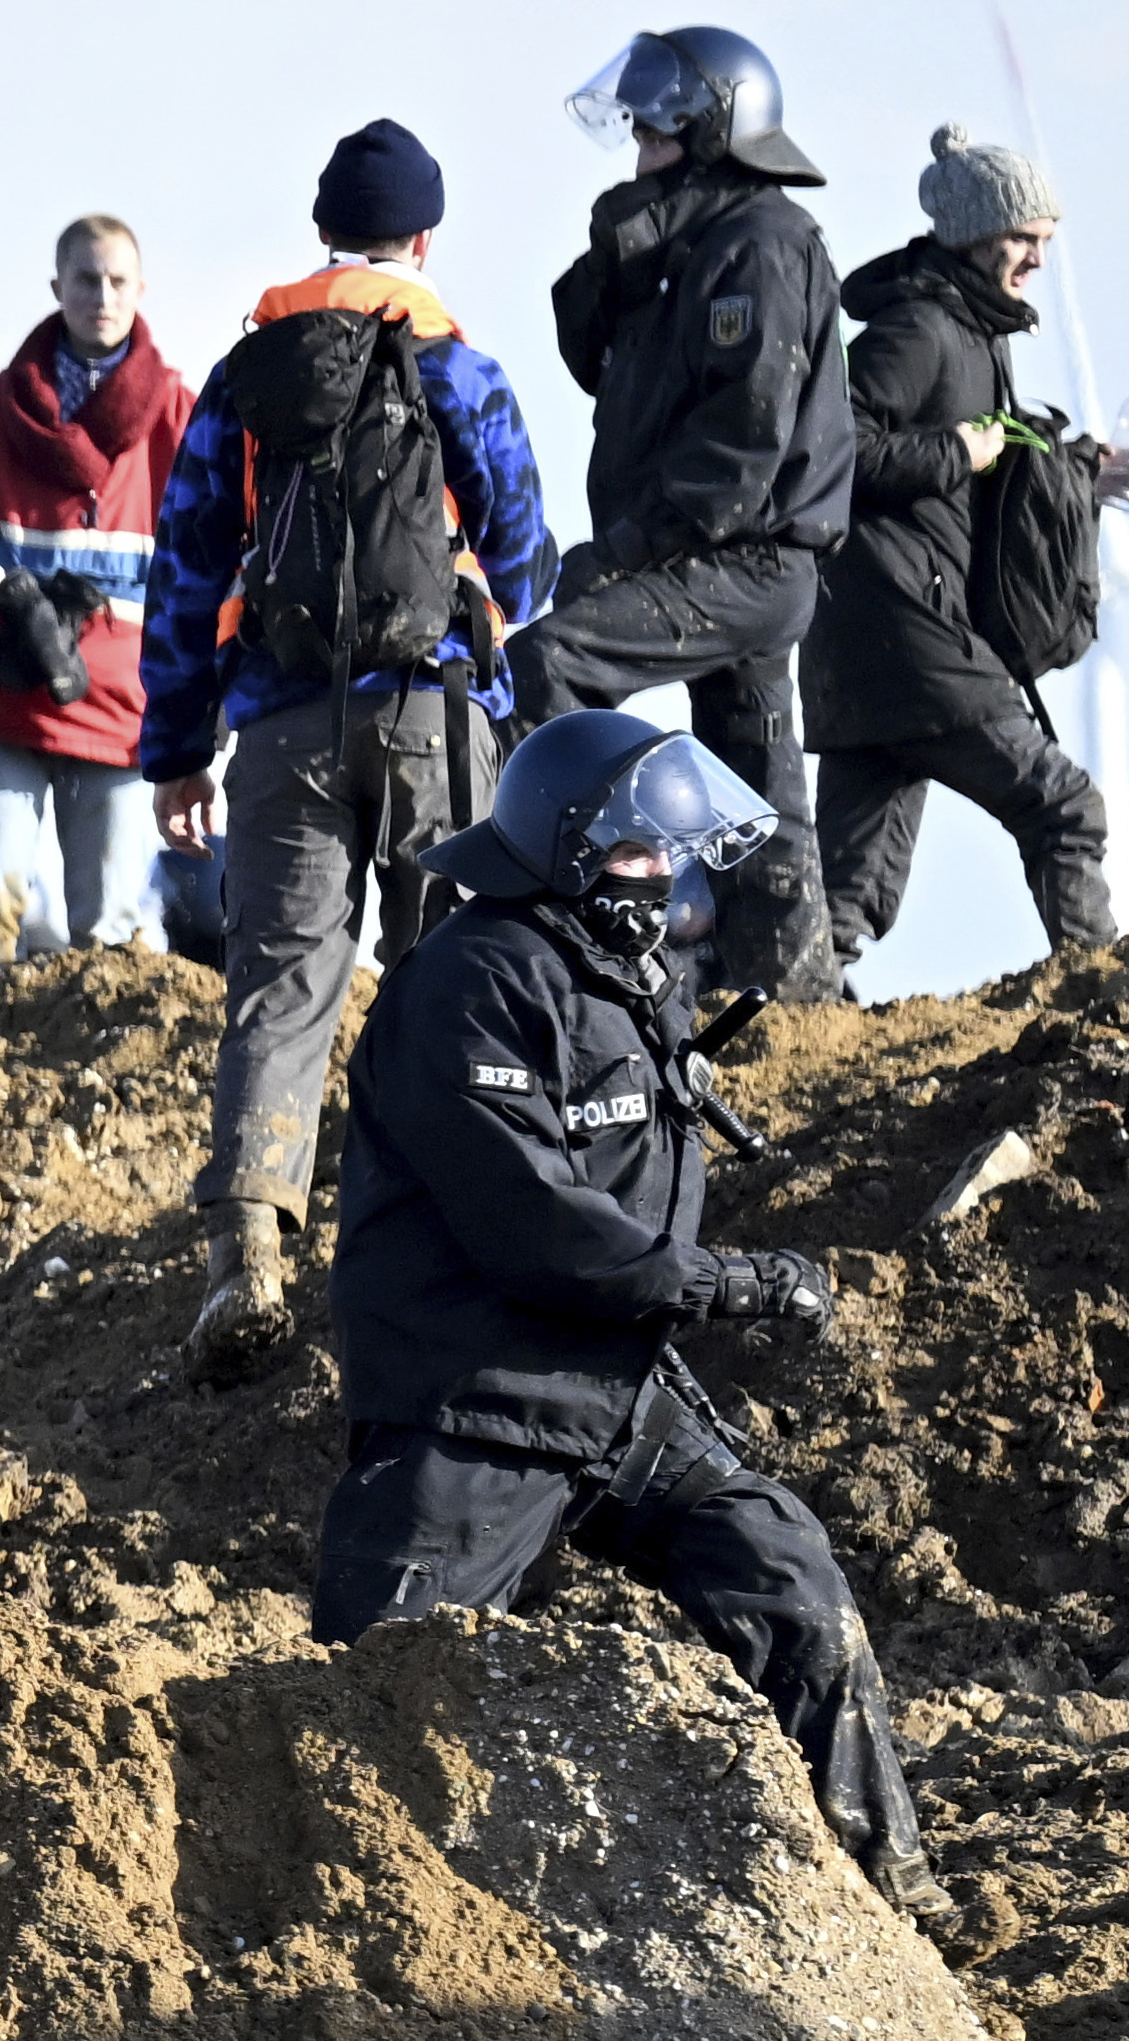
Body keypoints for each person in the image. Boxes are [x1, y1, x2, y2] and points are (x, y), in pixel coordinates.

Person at [311, 710, 920, 1895]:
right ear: (567, 845)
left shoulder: (619, 976)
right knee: (363, 1701)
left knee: (791, 1581)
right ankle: (324, 1928)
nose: (665, 877)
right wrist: (733, 1283)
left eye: (671, 854)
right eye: (643, 852)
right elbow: (539, 1224)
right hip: (477, 1395)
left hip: (613, 1386)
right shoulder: (468, 983)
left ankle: (888, 1899)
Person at [143, 125, 562, 1376]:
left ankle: (249, 1259)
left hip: (280, 728)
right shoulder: (456, 363)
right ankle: (439, 1240)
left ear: (321, 229)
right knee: (443, 979)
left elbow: (185, 565)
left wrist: (177, 748)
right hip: (434, 716)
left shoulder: (247, 371)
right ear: (423, 237)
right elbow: (530, 556)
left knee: (279, 986)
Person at [529, 28, 861, 1022]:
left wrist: (624, 552)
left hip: (745, 554)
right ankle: (793, 1000)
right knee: (752, 761)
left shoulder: (764, 244)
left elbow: (743, 440)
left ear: (714, 132)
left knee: (556, 661)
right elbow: (596, 363)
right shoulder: (689, 240)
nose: (639, 154)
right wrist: (620, 254)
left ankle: (595, 922)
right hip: (724, 551)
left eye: (658, 137)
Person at [803, 135, 1129, 982]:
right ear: (976, 230)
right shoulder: (920, 330)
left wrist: (1081, 471)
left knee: (846, 889)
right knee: (1062, 806)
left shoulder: (969, 329)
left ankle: (800, 1030)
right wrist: (958, 450)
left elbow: (984, 461)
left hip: (868, 650)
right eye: (1025, 236)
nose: (1038, 256)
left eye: (1046, 239)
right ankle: (1100, 994)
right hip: (910, 636)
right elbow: (831, 451)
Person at [0, 219, 184, 972]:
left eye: (117, 281)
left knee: (113, 945)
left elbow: (214, 566)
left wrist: (209, 696)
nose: (101, 296)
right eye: (85, 280)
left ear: (140, 289)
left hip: (126, 713)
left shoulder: (178, 418)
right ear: (57, 287)